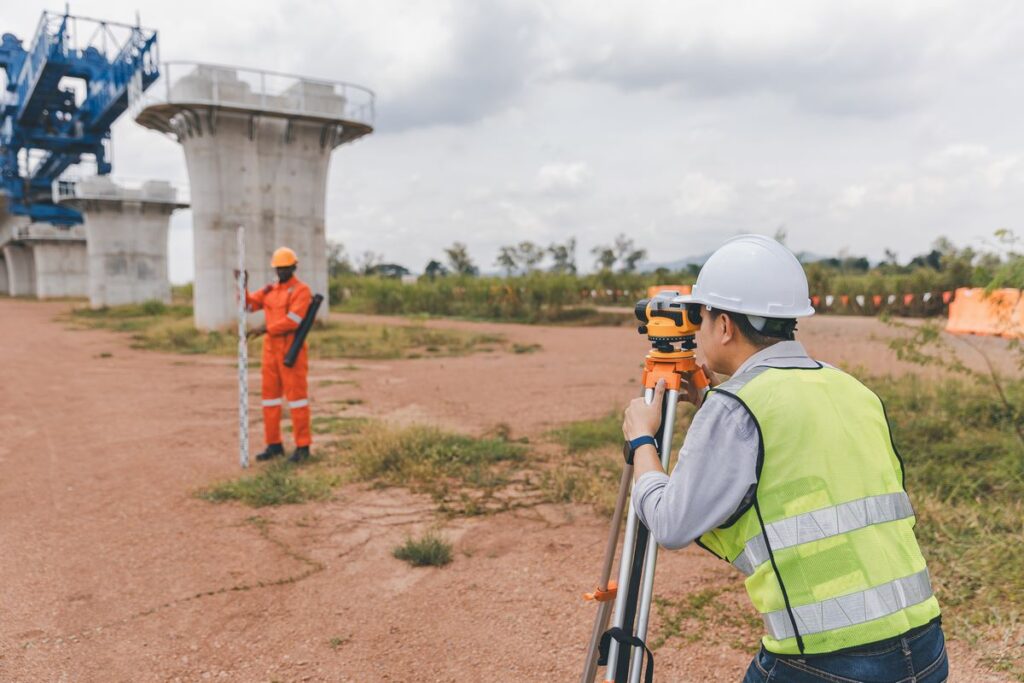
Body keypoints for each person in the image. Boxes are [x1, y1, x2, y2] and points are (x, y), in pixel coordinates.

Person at [621, 234, 947, 682]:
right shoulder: (851, 388)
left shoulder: (737, 406)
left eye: (702, 316)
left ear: (725, 326)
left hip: (830, 661)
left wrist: (643, 441)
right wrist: (716, 404)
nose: (697, 329)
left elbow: (672, 524)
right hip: (925, 646)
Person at [244, 246, 313, 463]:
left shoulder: (301, 291)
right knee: (270, 401)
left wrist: (265, 328)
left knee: (297, 401)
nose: (282, 271)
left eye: (286, 268)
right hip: (270, 353)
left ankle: (303, 447)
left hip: (291, 353)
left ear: (294, 267)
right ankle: (274, 444)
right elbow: (247, 306)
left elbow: (294, 320)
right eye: (279, 268)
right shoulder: (269, 291)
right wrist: (242, 285)